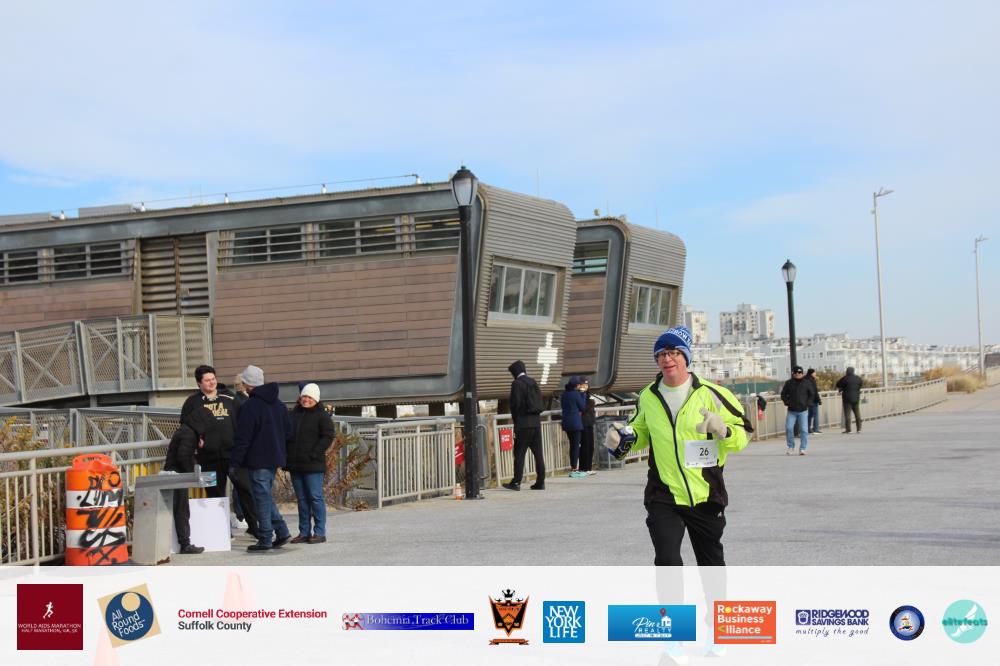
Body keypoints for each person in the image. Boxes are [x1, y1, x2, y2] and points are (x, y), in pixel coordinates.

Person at [608, 325, 751, 566]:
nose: (667, 359)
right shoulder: (648, 396)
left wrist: (723, 430)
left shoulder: (713, 394)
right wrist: (620, 441)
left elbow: (744, 434)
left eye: (674, 352)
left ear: (686, 357)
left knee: (711, 566)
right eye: (661, 354)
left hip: (706, 494)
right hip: (664, 494)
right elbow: (640, 432)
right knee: (667, 561)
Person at [230, 365, 293, 552]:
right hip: (274, 459)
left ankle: (266, 538)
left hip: (257, 460)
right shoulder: (279, 405)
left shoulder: (250, 407)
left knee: (261, 499)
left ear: (246, 384)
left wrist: (234, 462)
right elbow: (288, 433)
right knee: (264, 496)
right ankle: (281, 531)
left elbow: (243, 438)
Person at [164, 407, 218, 555]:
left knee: (180, 509)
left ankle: (184, 543)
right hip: (178, 477)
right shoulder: (189, 434)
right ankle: (185, 544)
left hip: (175, 474)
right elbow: (183, 456)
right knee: (182, 510)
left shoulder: (187, 430)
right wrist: (193, 475)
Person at [180, 365, 239, 501]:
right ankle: (217, 516)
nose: (212, 382)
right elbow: (185, 427)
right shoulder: (192, 402)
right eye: (207, 380)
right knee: (213, 495)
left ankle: (244, 515)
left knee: (244, 488)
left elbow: (242, 422)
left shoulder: (230, 398)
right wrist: (196, 440)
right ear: (199, 383)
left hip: (233, 455)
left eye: (213, 379)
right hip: (207, 458)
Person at [287, 383, 335, 544]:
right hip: (295, 464)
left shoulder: (322, 416)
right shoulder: (294, 414)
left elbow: (328, 436)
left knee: (315, 497)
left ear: (316, 399)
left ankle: (320, 532)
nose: (306, 400)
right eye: (304, 397)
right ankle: (304, 532)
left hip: (313, 464)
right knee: (302, 499)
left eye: (309, 397)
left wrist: (314, 453)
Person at [503, 360, 546, 491]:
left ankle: (516, 482)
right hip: (536, 422)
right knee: (538, 454)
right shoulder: (533, 382)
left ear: (515, 372)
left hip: (523, 424)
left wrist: (516, 420)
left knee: (519, 453)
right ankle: (540, 482)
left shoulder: (517, 383)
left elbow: (515, 404)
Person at [781, 365, 816, 455]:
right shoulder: (788, 383)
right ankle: (791, 446)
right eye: (796, 372)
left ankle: (803, 448)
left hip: (803, 411)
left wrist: (808, 403)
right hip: (791, 411)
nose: (797, 374)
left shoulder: (807, 383)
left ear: (802, 373)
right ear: (793, 373)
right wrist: (787, 402)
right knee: (789, 428)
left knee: (804, 430)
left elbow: (812, 394)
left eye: (799, 372)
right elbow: (783, 394)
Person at [561, 375, 586, 476]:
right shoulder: (576, 394)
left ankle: (573, 466)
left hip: (567, 423)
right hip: (575, 423)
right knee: (575, 446)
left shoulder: (564, 394)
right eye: (579, 384)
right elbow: (582, 407)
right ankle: (574, 468)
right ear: (576, 385)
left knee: (572, 445)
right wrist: (583, 395)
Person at [835, 366, 864, 433]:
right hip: (856, 398)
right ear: (853, 371)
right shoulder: (858, 378)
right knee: (857, 413)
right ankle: (859, 429)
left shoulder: (845, 378)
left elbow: (838, 384)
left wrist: (843, 388)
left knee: (847, 414)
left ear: (847, 371)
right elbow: (860, 384)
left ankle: (848, 429)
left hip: (847, 399)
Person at [578, 377, 597, 476]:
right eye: (583, 385)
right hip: (582, 424)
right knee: (584, 446)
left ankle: (588, 467)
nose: (585, 387)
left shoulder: (588, 396)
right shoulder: (579, 395)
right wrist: (590, 403)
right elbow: (582, 408)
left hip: (589, 423)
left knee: (590, 446)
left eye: (586, 385)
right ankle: (583, 468)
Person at [805, 368, 823, 434]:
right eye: (814, 373)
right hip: (814, 400)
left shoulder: (804, 379)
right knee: (816, 415)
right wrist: (819, 400)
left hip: (807, 400)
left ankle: (808, 428)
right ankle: (816, 429)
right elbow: (815, 391)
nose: (815, 374)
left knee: (809, 415)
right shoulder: (812, 380)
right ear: (811, 373)